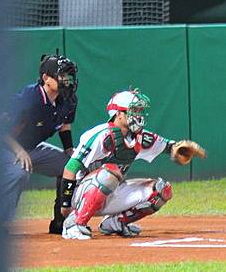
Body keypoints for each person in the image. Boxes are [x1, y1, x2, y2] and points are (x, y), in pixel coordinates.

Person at [60, 88, 205, 240]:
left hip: (110, 192)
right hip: (80, 195)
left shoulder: (139, 137)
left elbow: (169, 146)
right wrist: (65, 205)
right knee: (110, 172)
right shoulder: (100, 135)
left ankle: (115, 223)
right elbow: (70, 169)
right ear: (118, 114)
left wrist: (177, 148)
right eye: (133, 111)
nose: (138, 115)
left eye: (140, 111)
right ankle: (74, 223)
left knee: (161, 190)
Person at [0, 54, 78, 234]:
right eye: (61, 75)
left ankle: (60, 220)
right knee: (18, 173)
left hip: (31, 148)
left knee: (71, 167)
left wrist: (69, 149)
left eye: (68, 75)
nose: (66, 80)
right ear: (46, 79)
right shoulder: (29, 98)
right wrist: (18, 150)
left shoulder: (68, 99)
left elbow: (65, 126)